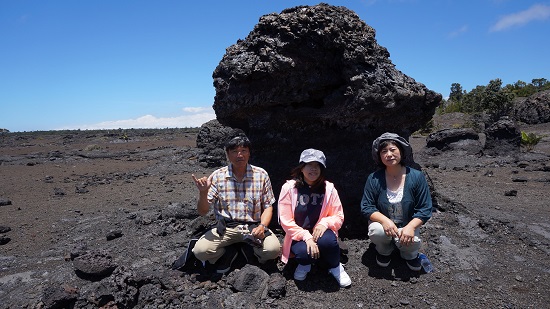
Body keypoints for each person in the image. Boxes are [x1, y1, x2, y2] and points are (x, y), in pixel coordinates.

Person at [191, 135, 280, 274]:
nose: (240, 155)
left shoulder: (261, 175)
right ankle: (227, 253)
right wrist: (203, 193)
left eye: (244, 150)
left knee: (273, 250)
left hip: (253, 227)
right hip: (226, 227)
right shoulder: (217, 176)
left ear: (249, 153)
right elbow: (202, 212)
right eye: (234, 151)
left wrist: (262, 226)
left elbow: (268, 206)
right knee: (200, 251)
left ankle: (252, 253)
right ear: (227, 154)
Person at [278, 148, 352, 287]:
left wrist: (325, 223)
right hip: (298, 234)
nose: (313, 169)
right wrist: (307, 237)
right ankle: (305, 265)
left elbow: (338, 216)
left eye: (317, 165)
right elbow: (285, 221)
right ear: (301, 167)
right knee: (303, 253)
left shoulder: (329, 189)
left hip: (321, 232)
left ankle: (335, 267)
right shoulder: (289, 188)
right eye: (309, 164)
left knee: (329, 243)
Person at [360, 132, 432, 271]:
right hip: (384, 227)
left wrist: (411, 227)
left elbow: (425, 208)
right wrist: (384, 221)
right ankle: (384, 251)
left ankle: (409, 255)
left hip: (407, 225)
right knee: (376, 231)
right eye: (384, 151)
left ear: (401, 152)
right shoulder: (374, 178)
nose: (389, 154)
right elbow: (367, 206)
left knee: (412, 241)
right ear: (379, 156)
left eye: (393, 150)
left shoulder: (416, 177)